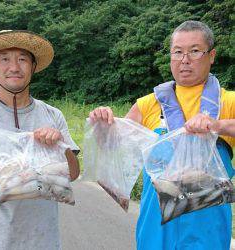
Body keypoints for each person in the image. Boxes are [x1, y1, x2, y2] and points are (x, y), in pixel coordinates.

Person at [89, 20, 235, 250]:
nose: (185, 59)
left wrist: (218, 124)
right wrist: (102, 125)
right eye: (178, 52)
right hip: (155, 224)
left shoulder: (227, 100)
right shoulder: (148, 103)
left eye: (195, 51)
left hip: (207, 228)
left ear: (212, 55)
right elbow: (111, 146)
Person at [0, 30, 80, 250]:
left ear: (33, 66)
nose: (14, 67)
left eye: (23, 59)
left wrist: (60, 147)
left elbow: (72, 174)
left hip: (45, 241)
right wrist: (17, 182)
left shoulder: (52, 114)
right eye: (5, 59)